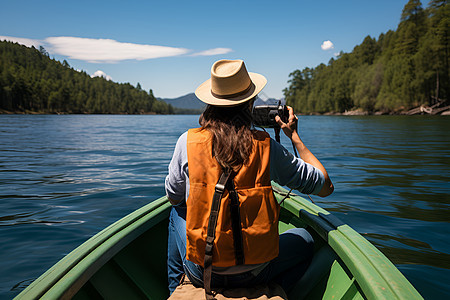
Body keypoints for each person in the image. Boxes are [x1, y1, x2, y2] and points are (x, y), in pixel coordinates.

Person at [165, 59, 334, 297]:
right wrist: (294, 136)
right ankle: (278, 288)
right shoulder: (266, 146)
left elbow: (173, 197)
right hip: (258, 272)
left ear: (210, 104)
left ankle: (177, 289)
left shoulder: (187, 141)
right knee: (305, 239)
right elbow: (325, 187)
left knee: (175, 213)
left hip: (202, 272)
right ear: (250, 103)